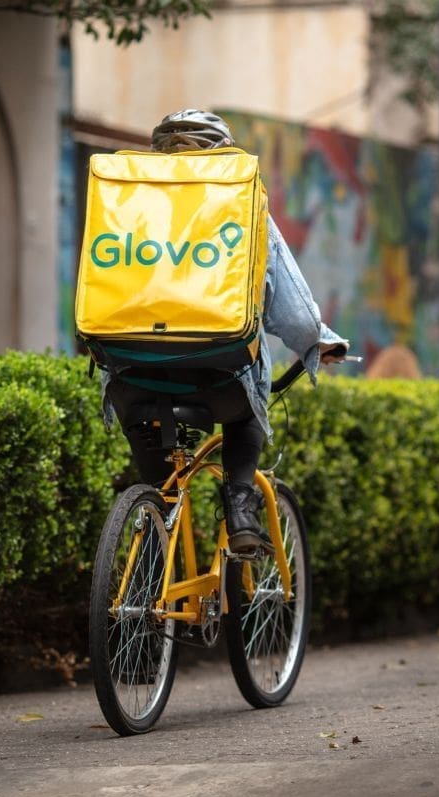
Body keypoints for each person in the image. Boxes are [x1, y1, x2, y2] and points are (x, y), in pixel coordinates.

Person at [101, 109, 347, 555]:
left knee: (162, 489)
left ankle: (152, 562)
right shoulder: (242, 207)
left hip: (130, 378)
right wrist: (318, 343)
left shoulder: (125, 208)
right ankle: (239, 507)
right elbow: (295, 314)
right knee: (247, 406)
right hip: (217, 381)